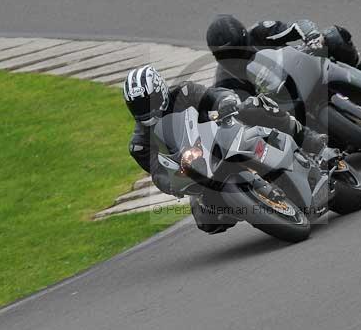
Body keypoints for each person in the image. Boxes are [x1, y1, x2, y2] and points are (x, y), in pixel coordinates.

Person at [123, 65, 328, 233]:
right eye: (138, 106)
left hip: (221, 132)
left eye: (146, 102)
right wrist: (171, 184)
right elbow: (157, 172)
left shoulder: (183, 92)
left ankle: (309, 140)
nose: (144, 109)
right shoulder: (139, 144)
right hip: (197, 168)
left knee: (256, 107)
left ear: (160, 90)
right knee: (207, 221)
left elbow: (211, 95)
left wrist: (225, 101)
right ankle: (248, 208)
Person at [205, 15, 361, 98]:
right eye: (226, 55)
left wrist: (312, 36)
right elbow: (227, 103)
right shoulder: (224, 80)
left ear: (244, 38)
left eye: (236, 49)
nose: (233, 57)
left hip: (298, 69)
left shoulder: (260, 32)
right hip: (283, 105)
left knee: (333, 36)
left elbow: (296, 27)